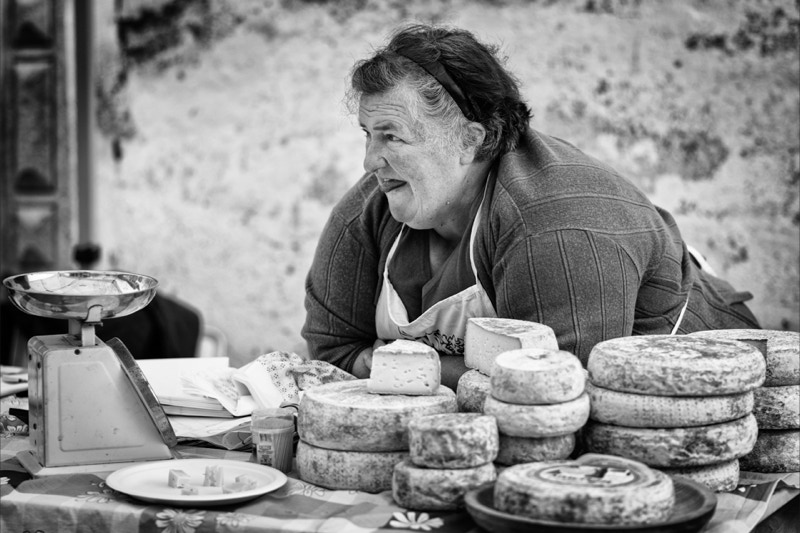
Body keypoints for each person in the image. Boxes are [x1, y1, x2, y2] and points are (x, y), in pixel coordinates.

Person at [301, 23, 760, 390]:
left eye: (392, 136)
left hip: (710, 396)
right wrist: (470, 373)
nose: (370, 161)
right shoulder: (373, 206)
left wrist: (399, 367)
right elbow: (331, 352)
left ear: (470, 140)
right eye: (368, 134)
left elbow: (555, 389)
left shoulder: (559, 223)